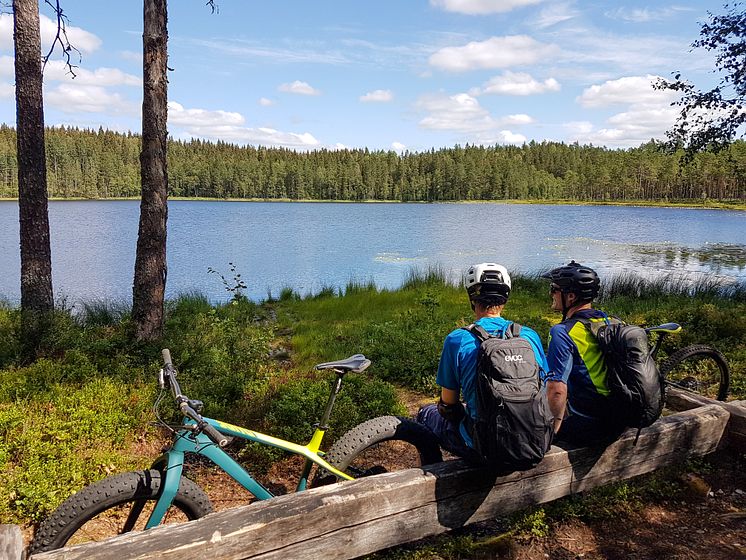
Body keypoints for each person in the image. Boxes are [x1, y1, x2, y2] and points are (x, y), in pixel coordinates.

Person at [416, 263, 548, 462]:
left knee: (425, 413)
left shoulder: (457, 339)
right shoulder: (529, 336)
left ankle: (433, 476)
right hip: (532, 442)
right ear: (505, 299)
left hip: (482, 448)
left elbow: (448, 406)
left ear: (472, 298)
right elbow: (544, 387)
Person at [541, 261, 623, 445]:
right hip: (619, 419)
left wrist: (552, 431)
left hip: (590, 425)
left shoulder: (562, 332)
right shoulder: (610, 322)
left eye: (554, 289)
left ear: (570, 296)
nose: (551, 294)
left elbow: (556, 390)